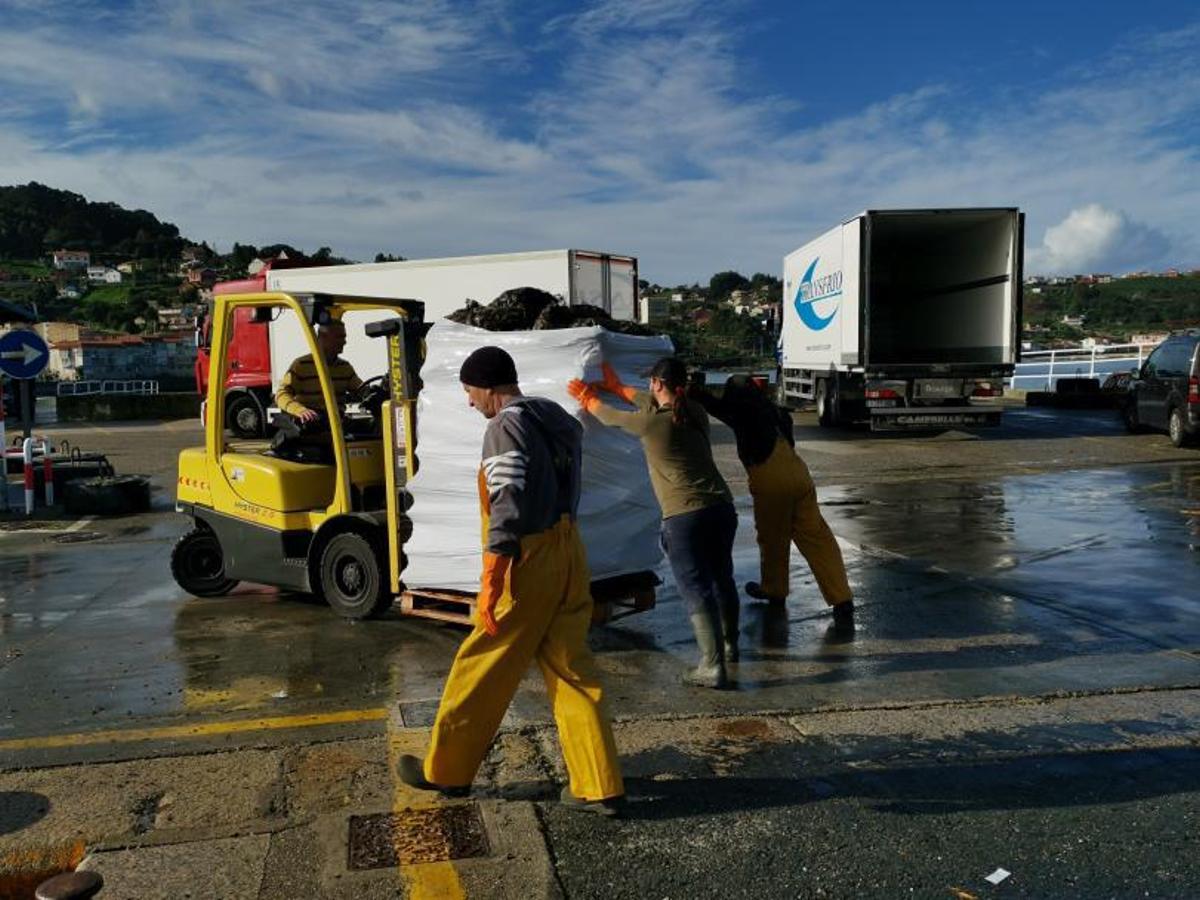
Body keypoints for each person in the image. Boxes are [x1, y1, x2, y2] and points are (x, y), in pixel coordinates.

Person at [396, 346, 625, 816]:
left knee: (482, 664)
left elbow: (508, 498)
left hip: (527, 560)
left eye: (469, 391)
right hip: (568, 552)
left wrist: (495, 573)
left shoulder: (506, 427)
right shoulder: (556, 419)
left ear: (488, 387)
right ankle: (599, 785)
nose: (468, 403)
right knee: (572, 670)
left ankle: (447, 772)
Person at [568, 357, 739, 689]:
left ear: (659, 384)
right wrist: (618, 386)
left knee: (694, 588)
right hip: (721, 507)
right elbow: (649, 403)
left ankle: (711, 666)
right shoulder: (694, 412)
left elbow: (611, 417)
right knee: (722, 578)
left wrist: (588, 399)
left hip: (684, 516)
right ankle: (730, 647)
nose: (648, 388)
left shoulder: (652, 424)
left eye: (651, 383)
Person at [692, 374, 855, 634]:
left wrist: (692, 390)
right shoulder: (777, 412)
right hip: (800, 474)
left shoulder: (742, 410)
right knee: (817, 537)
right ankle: (842, 598)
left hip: (770, 478)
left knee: (773, 537)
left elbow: (717, 407)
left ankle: (775, 590)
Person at [274, 319, 363, 424]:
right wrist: (299, 410)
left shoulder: (345, 367)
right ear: (323, 338)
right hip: (312, 422)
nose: (344, 342)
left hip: (337, 422)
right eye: (340, 337)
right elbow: (281, 395)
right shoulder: (301, 365)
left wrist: (374, 392)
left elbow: (361, 389)